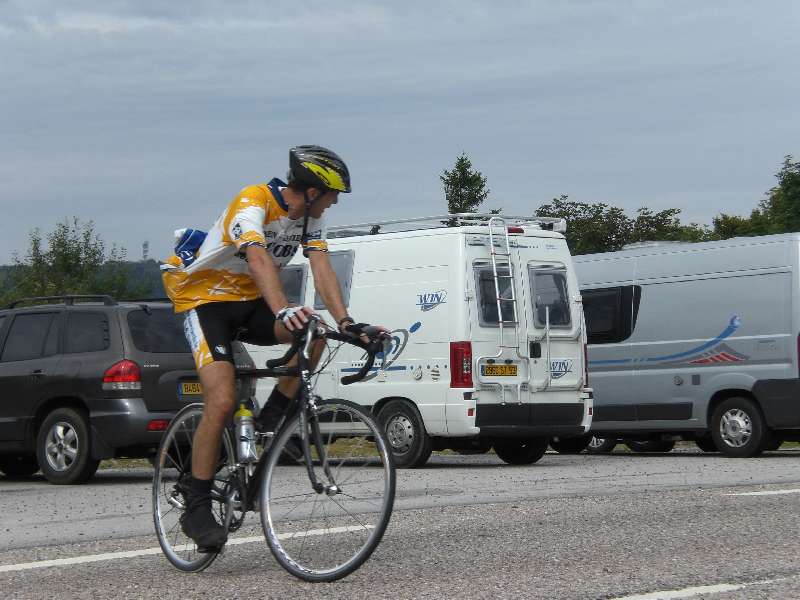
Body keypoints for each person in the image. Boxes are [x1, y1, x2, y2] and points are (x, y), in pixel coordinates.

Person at [162, 145, 376, 550]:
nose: (335, 202)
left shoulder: (311, 221)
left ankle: (274, 416)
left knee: (316, 331)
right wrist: (281, 310)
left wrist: (348, 323)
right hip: (205, 303)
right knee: (222, 399)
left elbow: (321, 268)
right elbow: (258, 258)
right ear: (311, 191)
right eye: (332, 193)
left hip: (250, 304)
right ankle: (196, 502)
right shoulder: (253, 201)